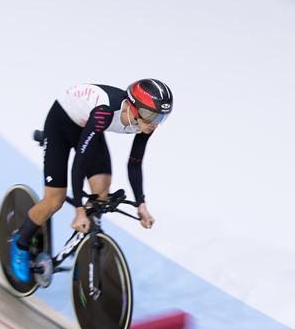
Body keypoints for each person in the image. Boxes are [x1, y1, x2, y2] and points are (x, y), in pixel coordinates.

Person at [9, 78, 173, 282]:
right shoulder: (105, 112)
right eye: (151, 116)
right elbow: (79, 164)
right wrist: (78, 210)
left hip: (87, 126)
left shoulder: (146, 123)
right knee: (54, 201)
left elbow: (134, 163)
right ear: (132, 107)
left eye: (161, 118)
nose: (155, 123)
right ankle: (20, 243)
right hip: (61, 124)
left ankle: (80, 248)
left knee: (101, 192)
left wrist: (141, 204)